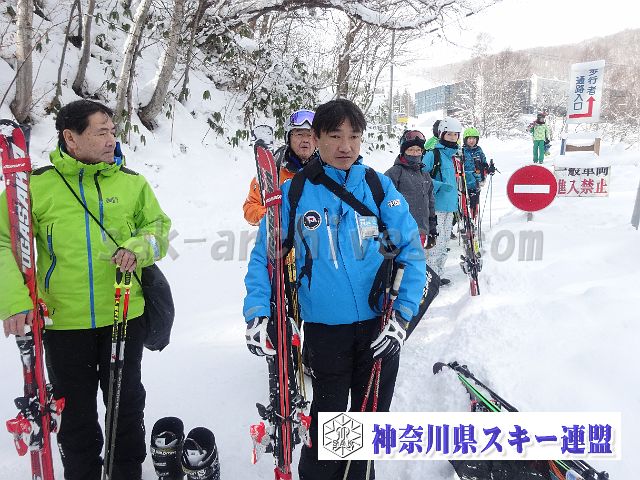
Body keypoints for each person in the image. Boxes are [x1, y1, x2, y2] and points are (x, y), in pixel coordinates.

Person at [243, 99, 425, 480]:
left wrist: (402, 318)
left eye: (354, 137)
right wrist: (258, 312)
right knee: (329, 423)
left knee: (369, 420)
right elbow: (265, 257)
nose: (346, 146)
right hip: (327, 331)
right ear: (317, 138)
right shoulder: (295, 193)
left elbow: (411, 249)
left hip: (379, 325)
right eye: (336, 136)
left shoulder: (377, 186)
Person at [0, 100, 171, 480]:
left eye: (113, 131)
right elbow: (2, 241)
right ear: (71, 138)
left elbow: (159, 229)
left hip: (124, 316)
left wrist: (138, 247)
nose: (112, 139)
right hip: (63, 323)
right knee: (74, 414)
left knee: (126, 407)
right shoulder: (34, 187)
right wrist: (13, 301)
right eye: (101, 132)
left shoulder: (132, 183)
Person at [243, 109, 317, 226]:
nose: (305, 140)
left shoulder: (327, 169)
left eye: (310, 135)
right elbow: (250, 207)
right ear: (288, 138)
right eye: (299, 134)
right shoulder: (272, 169)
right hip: (282, 236)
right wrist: (269, 216)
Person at [423, 116, 464, 286]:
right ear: (441, 134)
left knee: (445, 243)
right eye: (449, 134)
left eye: (456, 135)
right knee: (435, 245)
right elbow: (421, 178)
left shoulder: (455, 156)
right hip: (436, 207)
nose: (453, 138)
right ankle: (430, 278)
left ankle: (438, 275)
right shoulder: (433, 154)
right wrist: (440, 186)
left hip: (450, 207)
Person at [385, 129, 437, 250]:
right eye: (411, 150)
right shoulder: (395, 173)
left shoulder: (425, 175)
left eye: (418, 150)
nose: (415, 153)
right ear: (403, 151)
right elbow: (384, 202)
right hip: (401, 233)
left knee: (418, 260)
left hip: (421, 230)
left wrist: (432, 229)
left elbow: (430, 203)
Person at [462, 127, 489, 220]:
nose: (472, 141)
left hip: (476, 182)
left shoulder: (479, 151)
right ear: (465, 140)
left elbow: (484, 163)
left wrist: (488, 168)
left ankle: (474, 220)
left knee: (474, 204)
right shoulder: (462, 151)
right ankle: (466, 220)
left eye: (474, 138)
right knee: (465, 205)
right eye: (469, 138)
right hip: (465, 183)